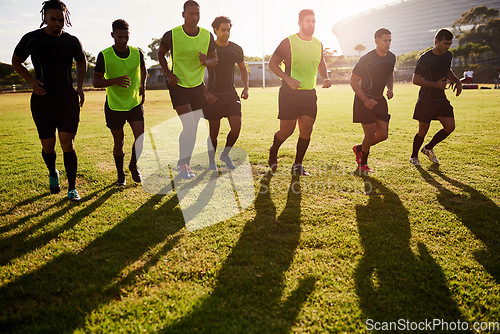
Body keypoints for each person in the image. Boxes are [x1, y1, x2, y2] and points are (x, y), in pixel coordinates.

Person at [12, 0, 86, 201]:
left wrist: (78, 87)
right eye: (53, 19)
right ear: (44, 17)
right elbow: (16, 60)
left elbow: (81, 60)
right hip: (42, 100)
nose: (57, 23)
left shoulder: (71, 41)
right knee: (48, 146)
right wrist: (31, 80)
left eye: (60, 20)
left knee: (67, 144)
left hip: (66, 100)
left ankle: (72, 188)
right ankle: (53, 172)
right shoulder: (32, 39)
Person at [157, 0, 218, 179]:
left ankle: (184, 164)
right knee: (189, 125)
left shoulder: (207, 35)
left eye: (197, 13)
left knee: (192, 128)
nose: (195, 17)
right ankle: (183, 165)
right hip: (178, 85)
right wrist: (168, 74)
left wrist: (206, 61)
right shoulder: (171, 35)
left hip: (197, 87)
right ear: (183, 14)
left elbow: (215, 60)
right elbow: (161, 53)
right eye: (191, 13)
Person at [268, 9, 331, 176]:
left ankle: (298, 165)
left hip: (309, 94)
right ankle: (274, 150)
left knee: (306, 130)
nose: (311, 24)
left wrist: (325, 78)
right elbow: (272, 64)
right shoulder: (288, 42)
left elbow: (321, 61)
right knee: (287, 130)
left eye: (314, 21)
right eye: (308, 21)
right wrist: (288, 79)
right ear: (300, 23)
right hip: (289, 94)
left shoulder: (318, 43)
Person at [93, 19, 146, 186]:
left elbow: (143, 70)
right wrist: (115, 80)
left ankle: (133, 166)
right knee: (119, 141)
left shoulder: (137, 53)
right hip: (114, 105)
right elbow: (96, 82)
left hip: (134, 103)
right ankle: (120, 174)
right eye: (119, 37)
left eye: (126, 36)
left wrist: (142, 87)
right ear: (112, 35)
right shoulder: (104, 55)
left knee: (140, 138)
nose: (123, 40)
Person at [410, 29, 462, 166]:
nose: (447, 47)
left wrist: (457, 81)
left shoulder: (448, 55)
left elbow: (447, 70)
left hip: (440, 98)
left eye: (450, 44)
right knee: (422, 130)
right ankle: (414, 156)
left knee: (450, 126)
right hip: (426, 99)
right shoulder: (425, 58)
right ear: (436, 41)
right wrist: (435, 85)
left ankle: (428, 148)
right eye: (445, 43)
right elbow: (415, 79)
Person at [204, 16, 249, 171]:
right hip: (213, 95)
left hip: (231, 94)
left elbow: (243, 69)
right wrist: (205, 92)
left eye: (228, 30)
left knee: (236, 127)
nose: (226, 33)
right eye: (223, 30)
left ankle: (225, 154)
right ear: (215, 30)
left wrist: (246, 87)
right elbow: (197, 71)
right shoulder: (209, 49)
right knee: (214, 133)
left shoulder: (236, 49)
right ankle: (211, 162)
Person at [350, 28, 395, 174]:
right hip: (364, 99)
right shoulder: (366, 59)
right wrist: (365, 99)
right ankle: (363, 164)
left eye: (389, 40)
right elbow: (353, 81)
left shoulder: (391, 57)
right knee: (370, 133)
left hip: (379, 99)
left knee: (383, 135)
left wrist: (390, 88)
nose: (388, 44)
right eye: (385, 40)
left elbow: (389, 73)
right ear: (376, 41)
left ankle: (359, 149)